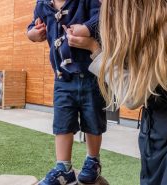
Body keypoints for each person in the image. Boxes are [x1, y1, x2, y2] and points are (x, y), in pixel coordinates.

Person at [65, 0, 167, 185]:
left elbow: (133, 97)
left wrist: (95, 49)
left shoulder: (161, 26)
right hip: (159, 122)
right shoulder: (142, 22)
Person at [27, 0, 107, 185]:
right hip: (62, 78)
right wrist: (33, 34)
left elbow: (102, 18)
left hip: (91, 75)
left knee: (93, 120)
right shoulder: (43, 5)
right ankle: (64, 168)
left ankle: (93, 160)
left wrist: (86, 29)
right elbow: (33, 26)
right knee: (62, 122)